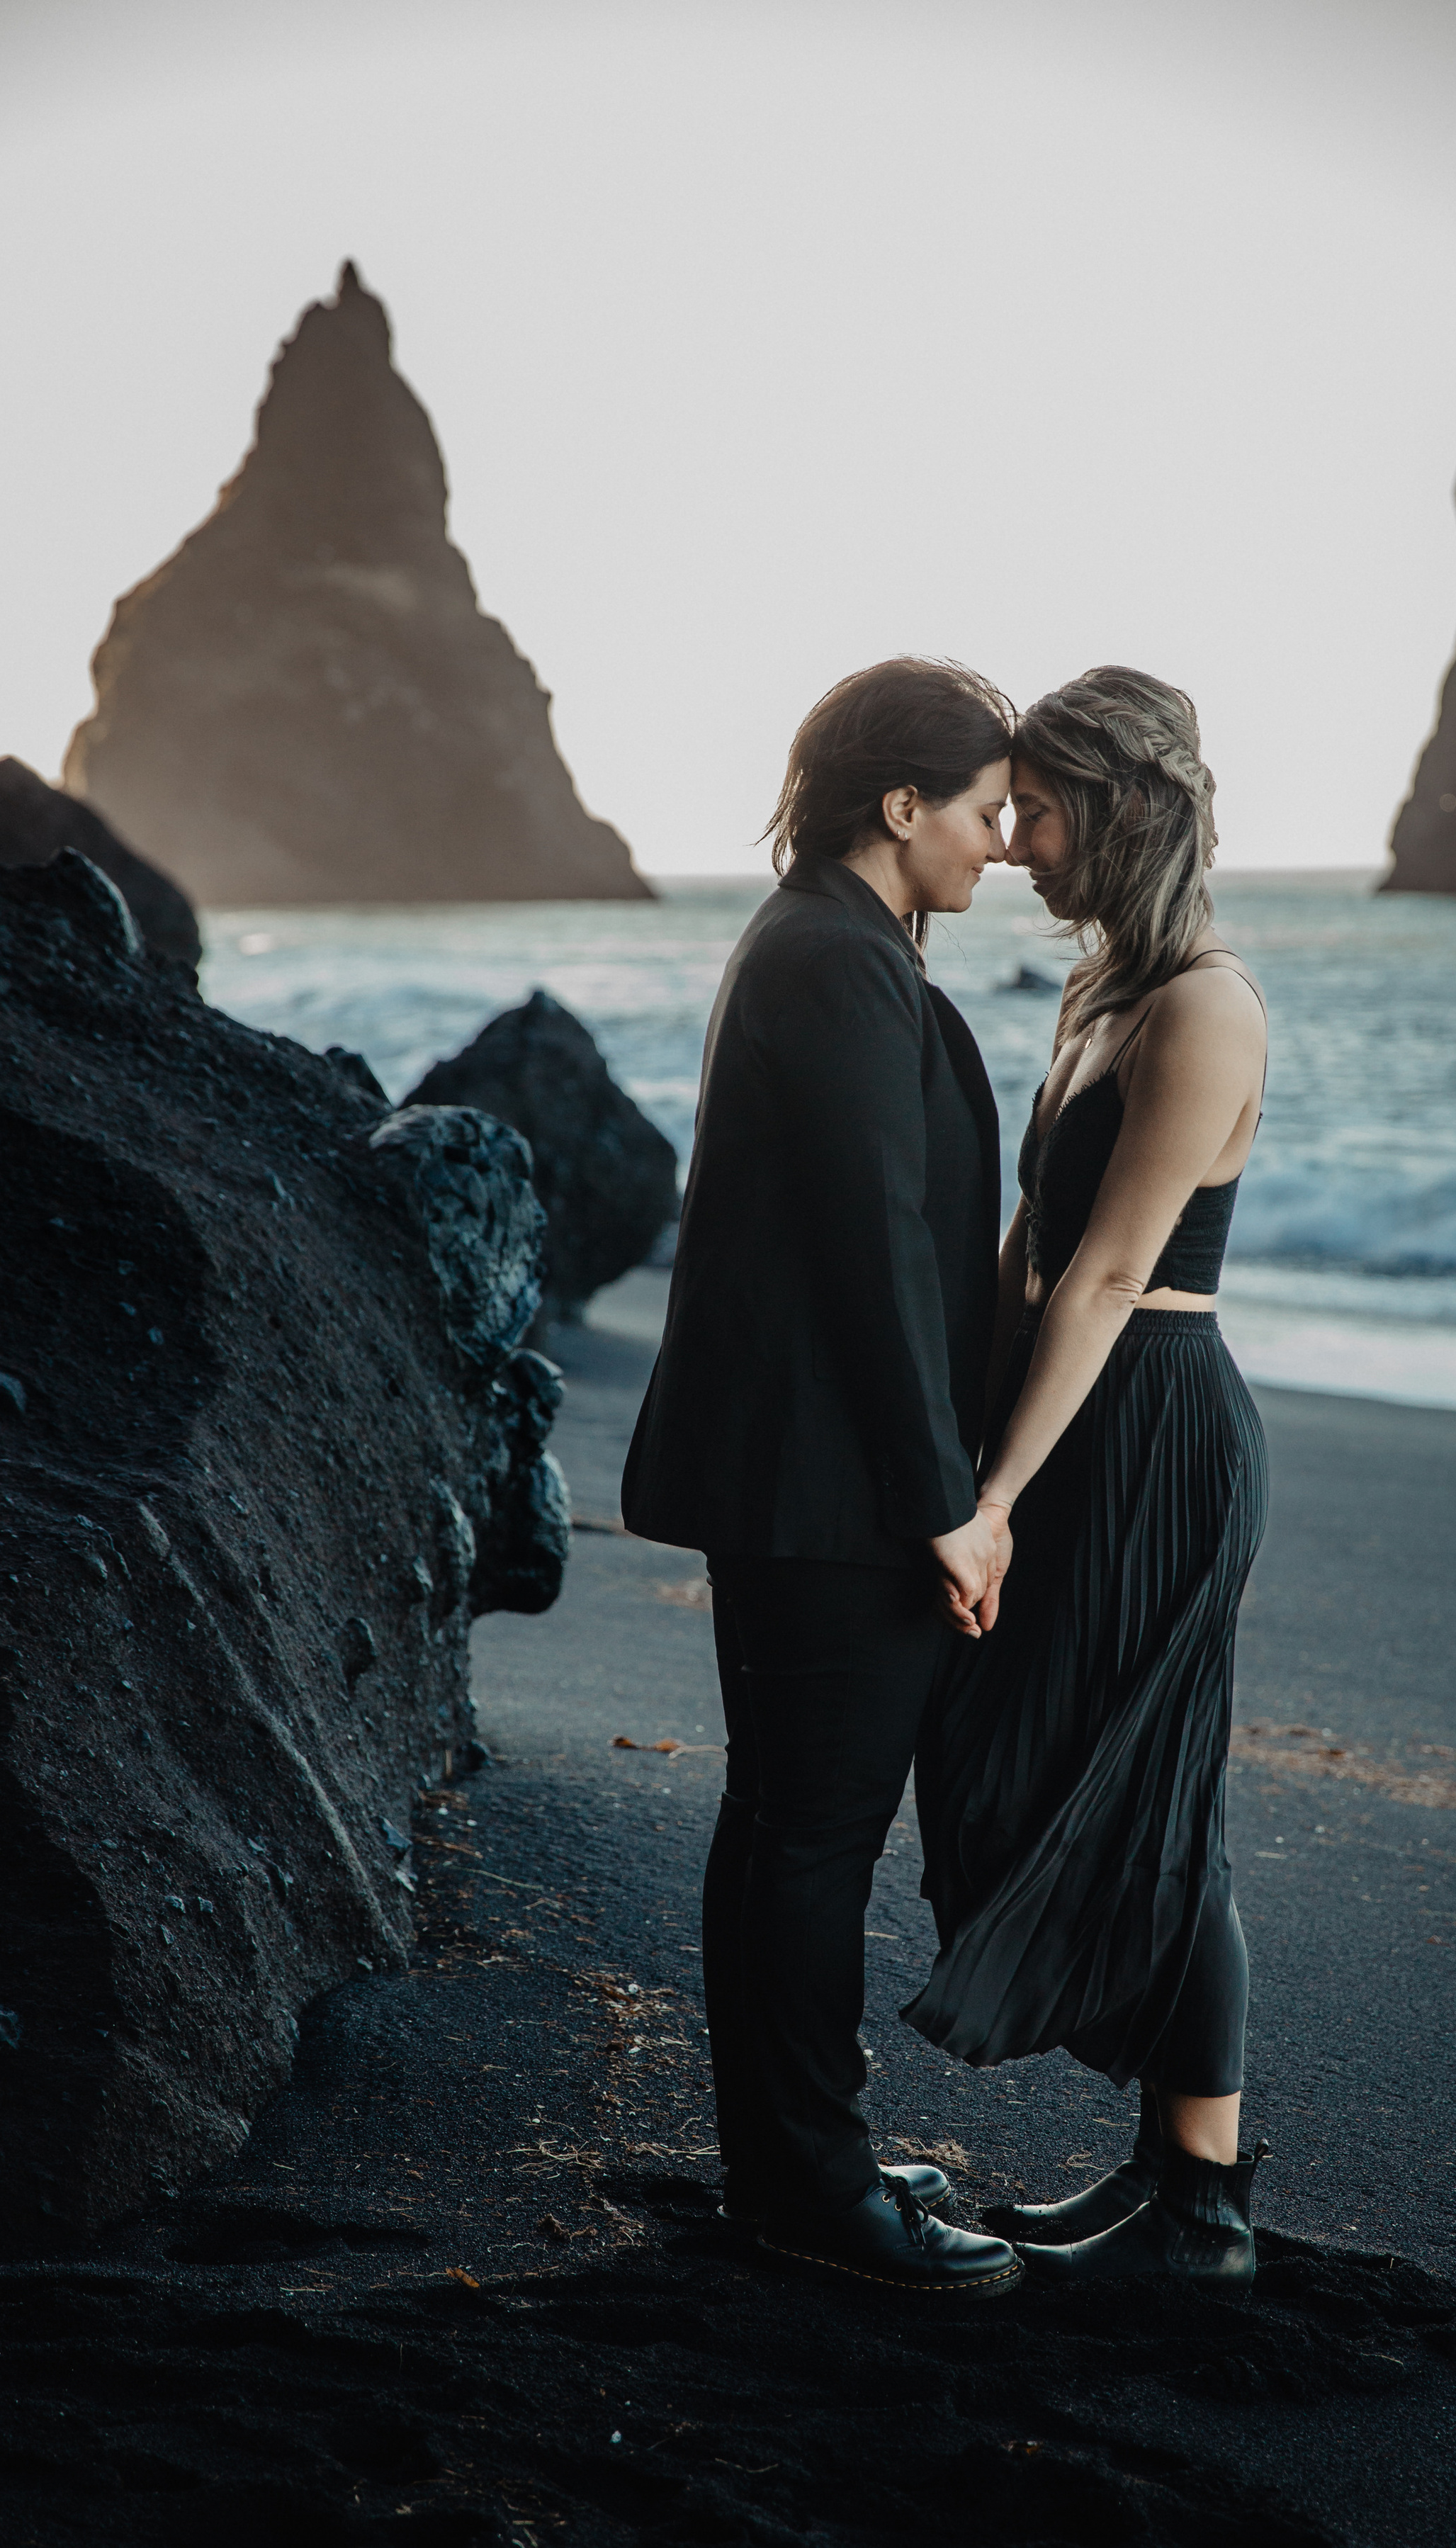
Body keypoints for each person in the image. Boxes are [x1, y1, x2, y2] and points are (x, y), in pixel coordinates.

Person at [621, 658, 1025, 2299]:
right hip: (831, 1493)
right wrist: (947, 1499)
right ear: (902, 805)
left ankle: (798, 2155)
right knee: (810, 1836)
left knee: (786, 1827)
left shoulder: (824, 944)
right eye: (987, 812)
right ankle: (810, 2193)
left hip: (810, 1478)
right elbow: (874, 1254)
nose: (1000, 845)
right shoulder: (833, 963)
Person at [903, 665, 1273, 2294]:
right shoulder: (1101, 993)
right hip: (1064, 1417)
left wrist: (994, 1499)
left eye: (1034, 811)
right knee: (1023, 1776)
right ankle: (1161, 2178)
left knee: (1143, 1799)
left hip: (1150, 1430)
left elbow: (1112, 1277)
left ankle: (1197, 2199)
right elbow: (1026, 1253)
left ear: (1112, 813)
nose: (1011, 846)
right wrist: (956, 1445)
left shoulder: (1205, 1006)